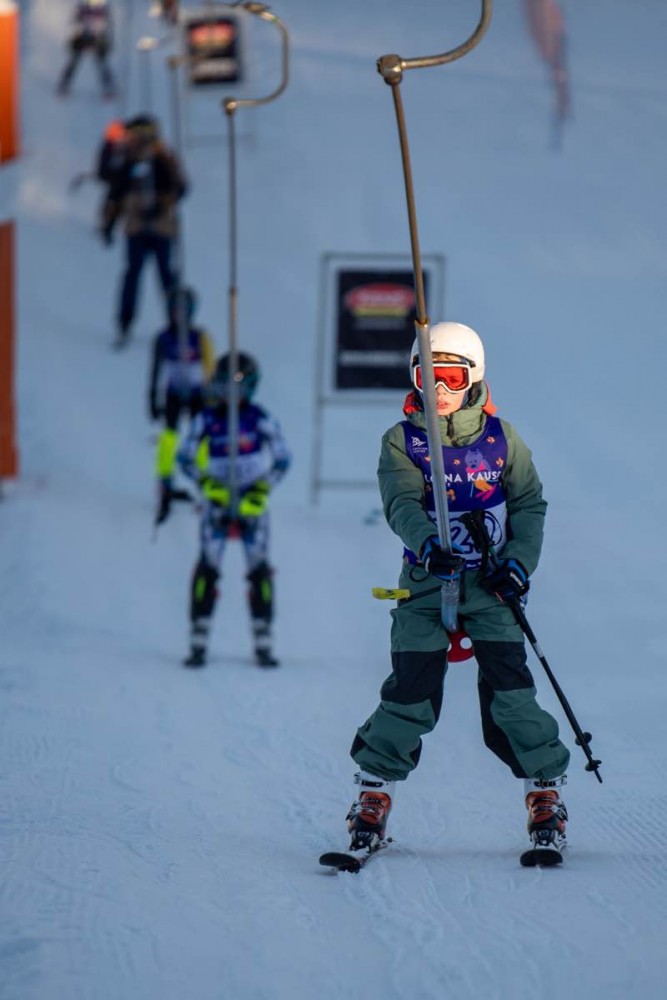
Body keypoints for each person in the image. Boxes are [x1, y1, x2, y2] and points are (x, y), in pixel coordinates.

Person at [344, 322, 570, 861]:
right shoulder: (403, 441)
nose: (439, 389)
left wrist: (517, 564)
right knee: (411, 690)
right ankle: (373, 794)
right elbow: (401, 502)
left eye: (451, 376)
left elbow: (529, 505)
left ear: (474, 378)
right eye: (427, 376)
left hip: (491, 586)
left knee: (511, 692)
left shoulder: (502, 440)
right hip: (427, 584)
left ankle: (544, 795)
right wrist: (427, 545)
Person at [177, 351, 291, 669]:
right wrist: (206, 484)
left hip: (251, 500)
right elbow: (185, 457)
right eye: (224, 384)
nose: (229, 392)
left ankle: (263, 638)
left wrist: (262, 490)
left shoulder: (260, 418)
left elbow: (283, 459)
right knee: (208, 565)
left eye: (237, 385)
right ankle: (198, 637)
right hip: (217, 501)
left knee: (258, 568)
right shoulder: (207, 419)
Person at [99, 115, 187, 349]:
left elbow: (180, 187)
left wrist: (162, 205)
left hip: (161, 228)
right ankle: (125, 322)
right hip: (136, 229)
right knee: (133, 274)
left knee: (166, 275)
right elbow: (115, 192)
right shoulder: (129, 161)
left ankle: (177, 322)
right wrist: (109, 222)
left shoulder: (163, 158)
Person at [149, 285, 216, 525]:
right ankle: (165, 482)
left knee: (202, 440)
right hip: (173, 393)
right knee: (169, 438)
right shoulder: (163, 338)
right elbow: (155, 370)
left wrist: (214, 397)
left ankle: (206, 484)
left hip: (199, 393)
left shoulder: (200, 337)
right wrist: (152, 397)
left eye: (184, 310)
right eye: (175, 310)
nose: (179, 315)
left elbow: (211, 367)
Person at [57, 0, 115, 99]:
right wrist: (76, 33)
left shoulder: (103, 9)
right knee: (73, 62)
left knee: (102, 63)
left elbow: (107, 27)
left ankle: (108, 87)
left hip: (98, 38)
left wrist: (105, 40)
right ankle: (64, 85)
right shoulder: (82, 7)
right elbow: (73, 23)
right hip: (82, 37)